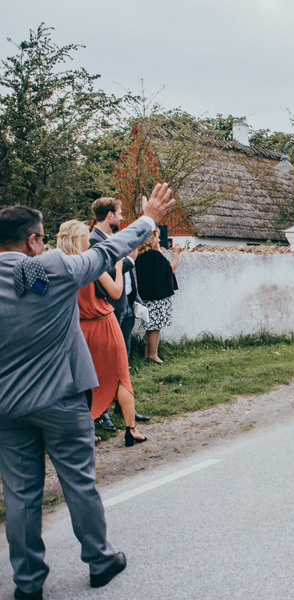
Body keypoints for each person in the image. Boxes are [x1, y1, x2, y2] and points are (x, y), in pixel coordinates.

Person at [0, 183, 175, 599]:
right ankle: (99, 561)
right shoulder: (55, 268)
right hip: (61, 398)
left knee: (20, 493)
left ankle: (27, 584)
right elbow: (109, 251)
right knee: (79, 482)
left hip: (7, 406)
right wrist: (148, 217)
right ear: (32, 240)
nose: (44, 245)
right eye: (41, 239)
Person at [56, 220, 148, 447]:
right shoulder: (90, 264)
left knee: (82, 382)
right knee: (120, 377)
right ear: (81, 239)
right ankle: (131, 429)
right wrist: (118, 269)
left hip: (78, 329)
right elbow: (116, 292)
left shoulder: (59, 267)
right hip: (104, 324)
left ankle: (86, 431)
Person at [89, 197, 149, 431]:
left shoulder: (110, 239)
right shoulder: (94, 241)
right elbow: (103, 274)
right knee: (104, 365)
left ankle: (124, 407)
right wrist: (126, 263)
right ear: (110, 215)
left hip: (123, 306)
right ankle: (101, 412)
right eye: (120, 212)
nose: (122, 217)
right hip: (106, 310)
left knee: (122, 364)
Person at [135, 228, 181, 364]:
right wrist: (177, 254)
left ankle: (147, 353)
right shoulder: (155, 255)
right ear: (150, 239)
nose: (159, 240)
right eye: (157, 237)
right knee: (156, 326)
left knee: (149, 326)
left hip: (146, 296)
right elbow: (170, 268)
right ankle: (153, 355)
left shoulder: (141, 255)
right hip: (157, 297)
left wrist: (158, 249)